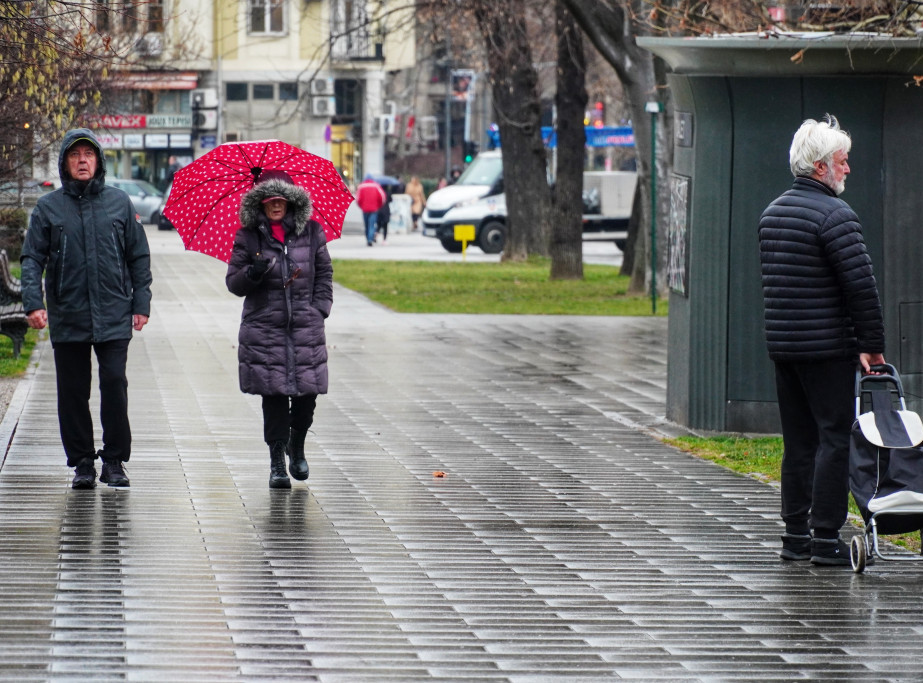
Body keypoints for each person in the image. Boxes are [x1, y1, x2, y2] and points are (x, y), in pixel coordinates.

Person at [758, 115, 885, 566]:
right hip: (827, 350)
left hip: (785, 349)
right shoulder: (836, 216)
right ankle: (826, 539)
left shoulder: (772, 213)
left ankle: (795, 537)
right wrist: (871, 344)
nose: (848, 169)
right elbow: (861, 287)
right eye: (842, 161)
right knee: (835, 439)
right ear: (819, 167)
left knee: (798, 442)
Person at [21, 128, 152, 489]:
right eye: (75, 154)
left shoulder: (119, 203)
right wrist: (34, 302)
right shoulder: (49, 207)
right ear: (65, 162)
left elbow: (138, 256)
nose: (82, 160)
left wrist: (141, 303)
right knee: (73, 391)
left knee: (114, 383)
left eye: (89, 154)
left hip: (113, 312)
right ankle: (82, 462)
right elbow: (32, 258)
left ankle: (114, 461)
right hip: (68, 313)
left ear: (98, 161)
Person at [225, 170, 333, 489]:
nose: (275, 205)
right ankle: (276, 461)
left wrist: (319, 309)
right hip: (265, 329)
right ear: (261, 201)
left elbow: (325, 273)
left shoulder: (312, 232)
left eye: (281, 199)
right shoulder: (249, 236)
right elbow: (234, 283)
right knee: (272, 396)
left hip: (305, 326)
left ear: (291, 200)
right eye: (269, 199)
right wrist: (253, 273)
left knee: (307, 395)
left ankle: (295, 444)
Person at [356, 175, 386, 247]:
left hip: (365, 209)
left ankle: (368, 238)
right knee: (372, 225)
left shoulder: (361, 186)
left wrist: (361, 206)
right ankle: (370, 239)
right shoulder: (376, 186)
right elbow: (382, 198)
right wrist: (379, 206)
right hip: (374, 209)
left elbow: (358, 199)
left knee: (366, 225)